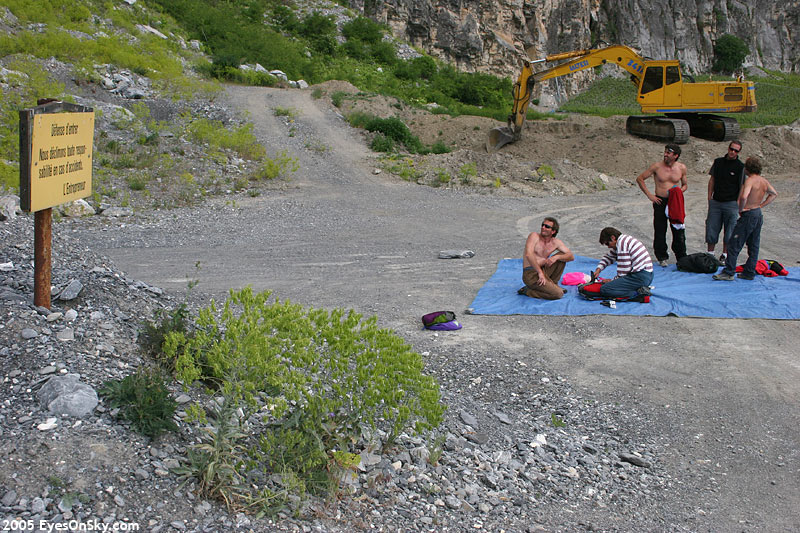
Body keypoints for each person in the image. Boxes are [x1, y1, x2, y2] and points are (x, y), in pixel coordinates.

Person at [713, 156, 778, 281]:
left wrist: (741, 209)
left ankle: (729, 271)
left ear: (747, 169)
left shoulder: (750, 181)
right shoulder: (763, 181)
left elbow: (744, 196)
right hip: (757, 213)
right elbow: (774, 194)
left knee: (734, 243)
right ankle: (749, 272)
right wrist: (761, 205)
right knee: (754, 245)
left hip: (749, 213)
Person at [636, 143, 688, 267]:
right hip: (660, 200)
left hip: (674, 201)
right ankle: (661, 256)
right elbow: (640, 178)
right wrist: (650, 195)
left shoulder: (681, 168)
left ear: (675, 155)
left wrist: (679, 191)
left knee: (678, 228)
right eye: (665, 152)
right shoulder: (657, 167)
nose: (665, 155)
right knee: (660, 229)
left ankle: (681, 256)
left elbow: (685, 184)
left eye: (668, 153)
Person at [706, 141, 744, 263]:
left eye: (736, 151)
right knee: (712, 227)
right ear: (728, 148)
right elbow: (712, 179)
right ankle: (710, 253)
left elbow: (742, 186)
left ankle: (725, 255)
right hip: (716, 201)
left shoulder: (740, 167)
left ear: (739, 152)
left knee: (730, 230)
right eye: (731, 149)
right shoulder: (718, 162)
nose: (733, 152)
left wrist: (738, 202)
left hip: (731, 203)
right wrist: (709, 196)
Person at [519, 217, 575, 299]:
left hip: (543, 270)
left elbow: (571, 256)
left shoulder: (555, 242)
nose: (543, 227)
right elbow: (529, 255)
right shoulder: (534, 236)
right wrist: (540, 272)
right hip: (531, 273)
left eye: (547, 226)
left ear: (553, 231)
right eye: (543, 225)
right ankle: (527, 291)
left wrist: (556, 257)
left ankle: (553, 284)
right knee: (558, 294)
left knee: (562, 255)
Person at [592, 227, 654, 300]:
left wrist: (612, 281)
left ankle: (638, 294)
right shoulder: (624, 240)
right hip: (647, 275)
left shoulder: (622, 244)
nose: (608, 247)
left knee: (605, 289)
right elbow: (609, 257)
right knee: (611, 285)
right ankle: (639, 289)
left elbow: (623, 272)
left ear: (613, 238)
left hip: (640, 276)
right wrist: (598, 270)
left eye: (607, 243)